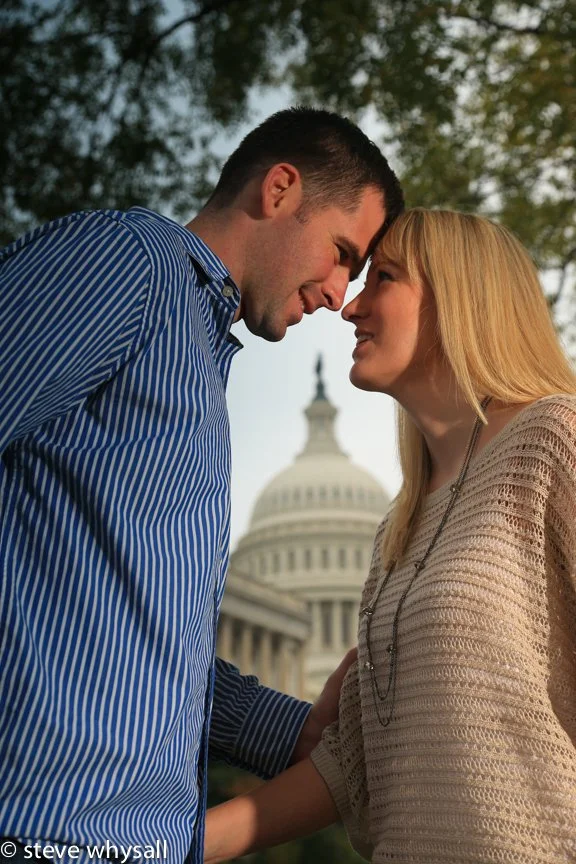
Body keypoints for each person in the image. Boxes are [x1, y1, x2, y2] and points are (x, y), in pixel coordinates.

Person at [0, 107, 404, 863]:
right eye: (343, 251)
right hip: (41, 830)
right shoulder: (125, 264)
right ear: (280, 189)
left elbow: (117, 631)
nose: (341, 294)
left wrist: (285, 730)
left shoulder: (199, 360)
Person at [204, 208, 576, 864]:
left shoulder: (555, 441)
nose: (349, 307)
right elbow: (357, 763)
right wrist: (174, 845)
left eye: (385, 279)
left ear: (461, 296)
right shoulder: (396, 530)